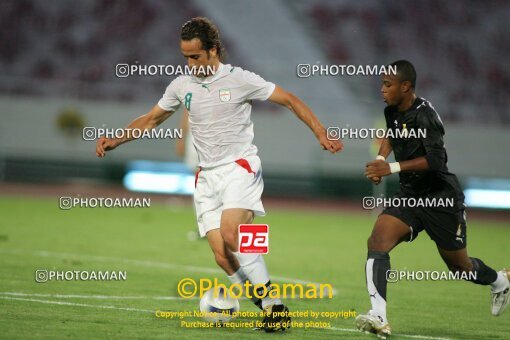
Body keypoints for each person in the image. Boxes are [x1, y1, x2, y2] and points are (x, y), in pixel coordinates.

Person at [96, 17, 343, 332]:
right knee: (222, 256)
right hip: (206, 176)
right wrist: (117, 139)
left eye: (195, 56)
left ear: (213, 50)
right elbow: (151, 119)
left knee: (232, 234)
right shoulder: (181, 86)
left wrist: (320, 133)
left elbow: (290, 100)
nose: (190, 63)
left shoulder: (240, 79)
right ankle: (266, 304)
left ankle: (275, 308)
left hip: (240, 166)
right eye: (185, 57)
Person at [356, 59, 509, 339]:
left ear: (406, 86)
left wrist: (390, 168)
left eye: (388, 85)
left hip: (441, 198)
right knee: (377, 240)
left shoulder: (426, 115)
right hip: (410, 196)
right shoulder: (392, 110)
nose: (382, 89)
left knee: (459, 267)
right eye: (381, 83)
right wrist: (380, 159)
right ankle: (379, 315)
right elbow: (392, 133)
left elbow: (437, 161)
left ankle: (500, 281)